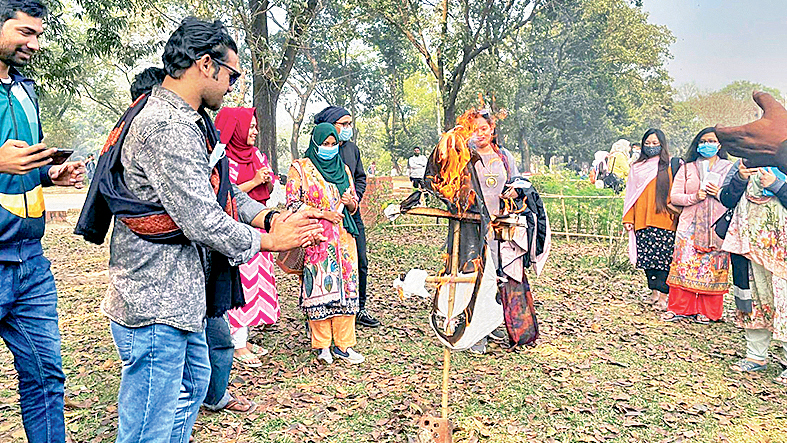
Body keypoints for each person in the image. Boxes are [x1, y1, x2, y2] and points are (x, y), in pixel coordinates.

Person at [78, 18, 324, 442]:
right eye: (231, 74)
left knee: (193, 384)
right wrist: (269, 241)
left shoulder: (192, 122)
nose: (232, 85)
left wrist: (268, 216)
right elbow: (200, 218)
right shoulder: (167, 128)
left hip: (182, 297)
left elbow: (220, 193)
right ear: (205, 65)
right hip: (155, 300)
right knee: (148, 429)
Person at [0, 2, 87, 442]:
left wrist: (49, 171)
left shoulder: (24, 90)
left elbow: (20, 165)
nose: (34, 44)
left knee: (46, 379)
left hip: (30, 262)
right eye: (24, 33)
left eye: (38, 34)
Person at [286, 123, 364, 364]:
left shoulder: (344, 170)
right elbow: (292, 204)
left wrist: (350, 203)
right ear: (315, 143)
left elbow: (354, 205)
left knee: (347, 290)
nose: (329, 149)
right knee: (318, 288)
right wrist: (324, 213)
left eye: (333, 145)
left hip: (344, 239)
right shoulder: (300, 168)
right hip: (316, 239)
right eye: (325, 144)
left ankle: (344, 345)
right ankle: (322, 346)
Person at [215, 107, 280, 367]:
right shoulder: (223, 160)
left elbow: (271, 189)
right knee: (240, 284)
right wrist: (254, 181)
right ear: (236, 129)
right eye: (250, 127)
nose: (254, 131)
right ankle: (237, 343)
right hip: (237, 231)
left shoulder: (256, 155)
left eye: (255, 127)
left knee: (255, 287)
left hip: (260, 227)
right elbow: (225, 196)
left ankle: (244, 337)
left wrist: (268, 180)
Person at [314, 106, 380, 328]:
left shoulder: (352, 149)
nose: (347, 128)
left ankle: (358, 308)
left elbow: (360, 177)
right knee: (323, 264)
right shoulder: (318, 149)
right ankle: (320, 312)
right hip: (323, 217)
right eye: (343, 124)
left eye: (349, 124)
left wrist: (355, 198)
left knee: (359, 260)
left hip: (351, 214)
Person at [663, 128, 733, 324]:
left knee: (712, 268)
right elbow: (674, 196)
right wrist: (694, 197)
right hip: (689, 227)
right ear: (697, 144)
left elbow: (733, 197)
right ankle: (679, 308)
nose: (707, 144)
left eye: (711, 141)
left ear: (719, 145)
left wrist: (718, 192)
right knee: (683, 266)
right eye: (703, 141)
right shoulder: (687, 168)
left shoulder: (729, 168)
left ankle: (708, 312)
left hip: (715, 227)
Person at [623, 128, 679, 311]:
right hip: (641, 219)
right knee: (647, 260)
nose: (651, 146)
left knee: (663, 260)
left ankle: (664, 296)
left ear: (662, 145)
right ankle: (653, 293)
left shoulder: (671, 165)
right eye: (648, 143)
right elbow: (631, 194)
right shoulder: (636, 167)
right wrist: (628, 218)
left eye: (655, 143)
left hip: (665, 219)